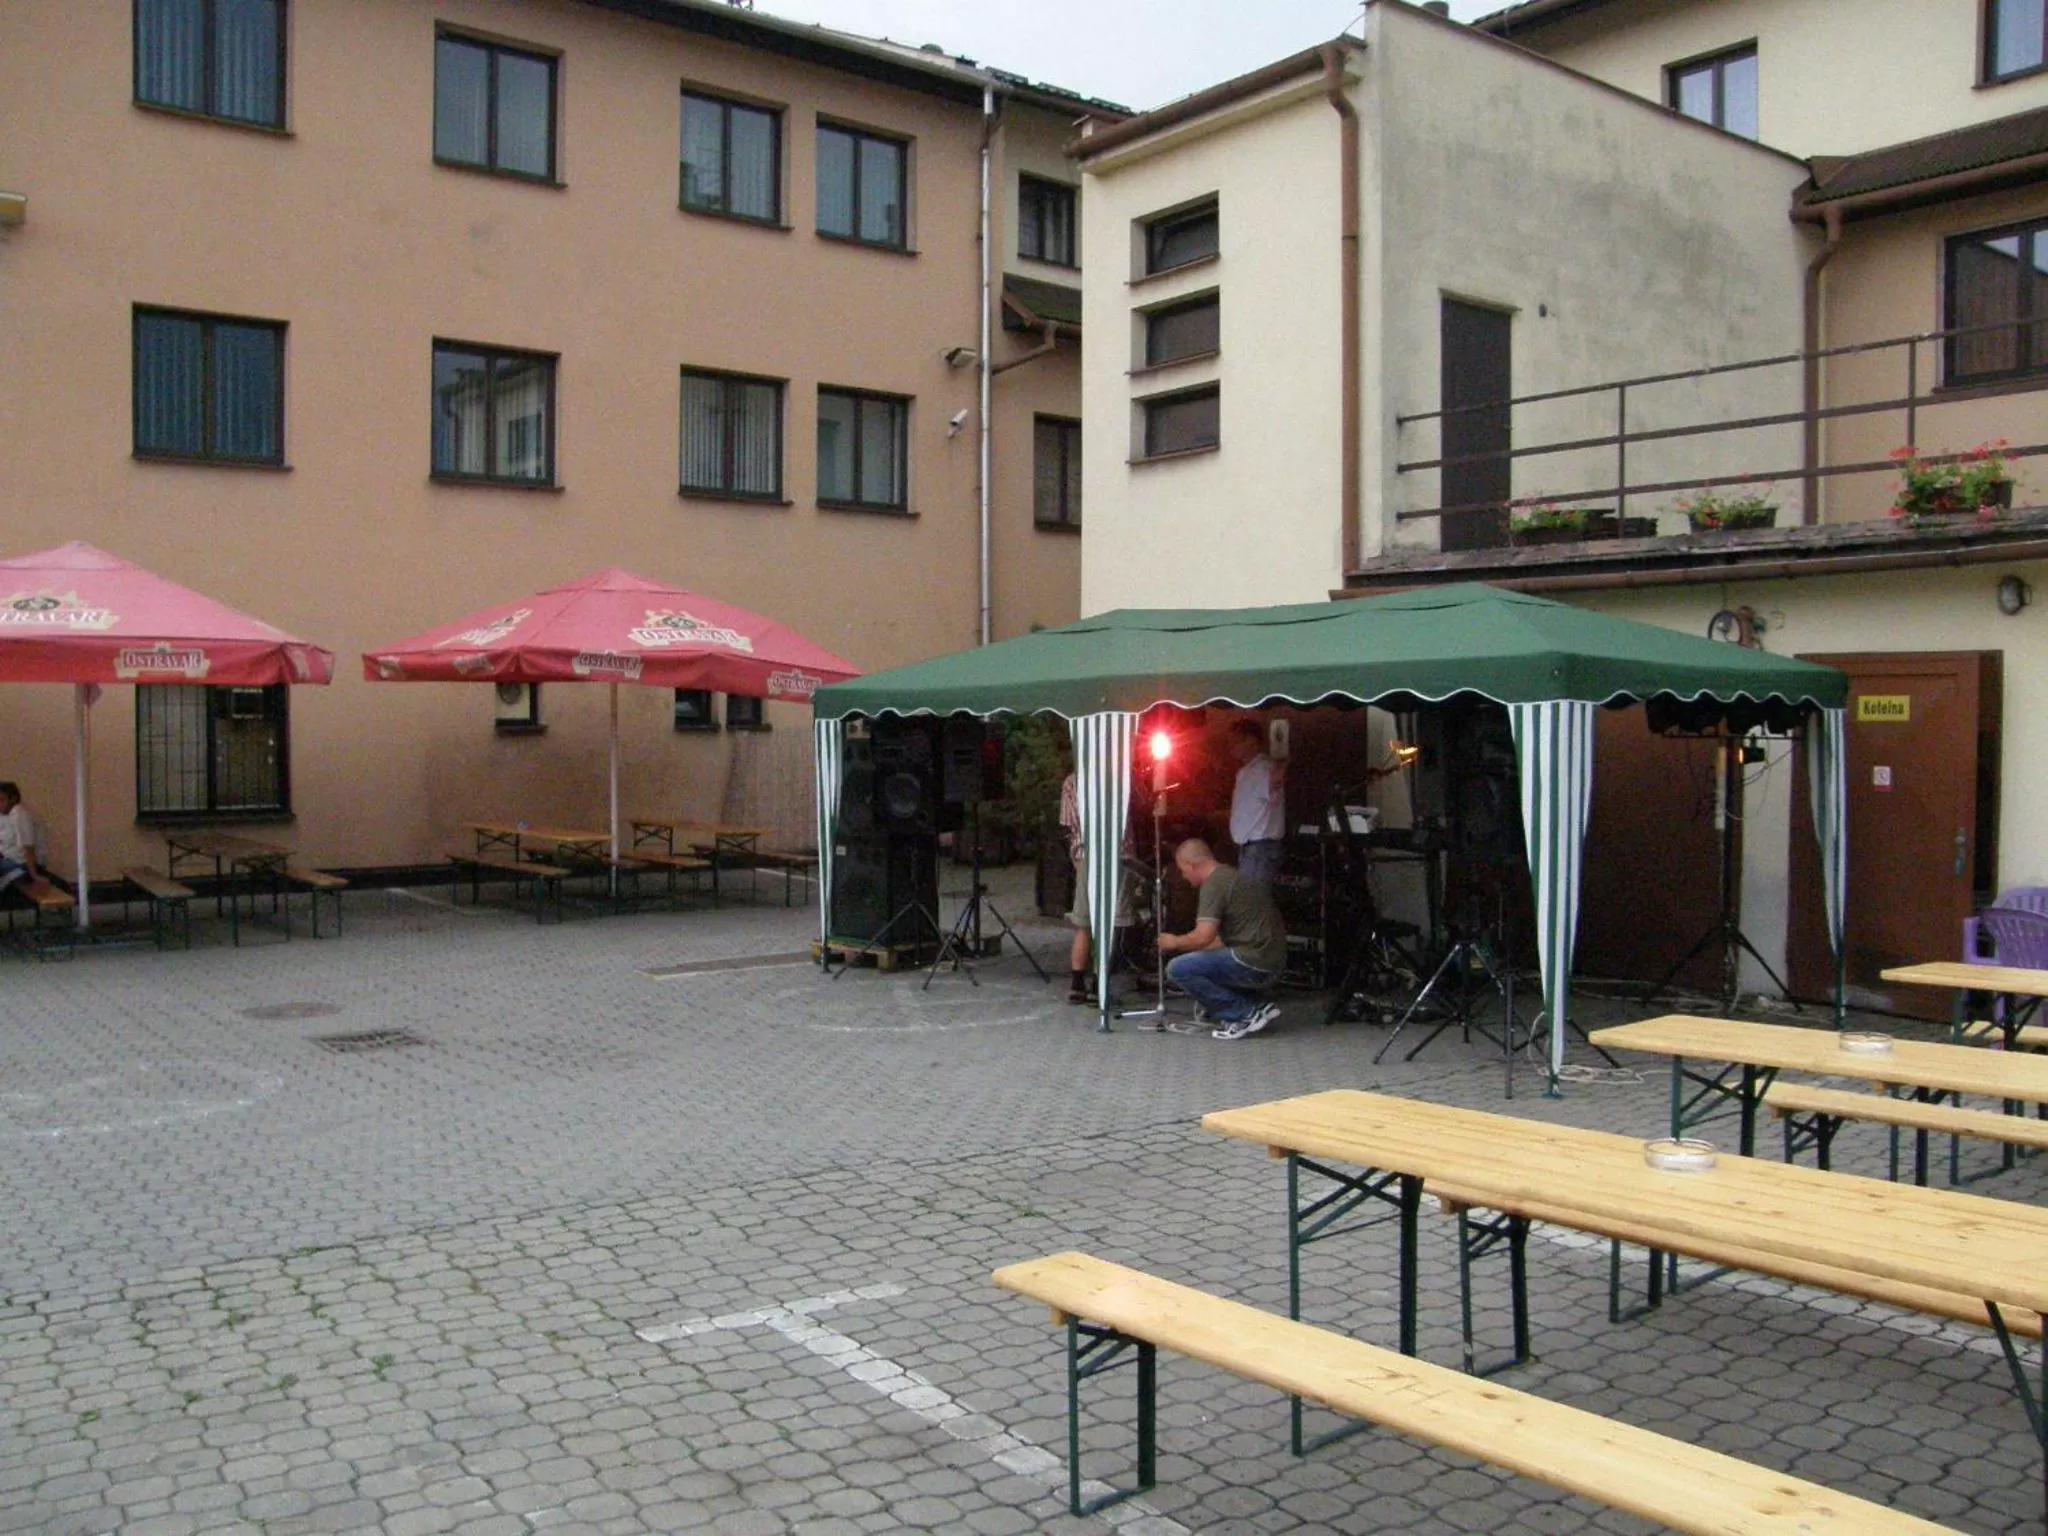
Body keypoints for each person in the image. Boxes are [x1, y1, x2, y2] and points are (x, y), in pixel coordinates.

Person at [1156, 838, 1287, 1040]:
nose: (1183, 876)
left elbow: (1203, 936)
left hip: (1253, 961)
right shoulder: (1232, 877)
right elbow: (1217, 942)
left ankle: (1243, 1014)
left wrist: (1175, 942)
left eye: (1183, 870)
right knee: (1201, 961)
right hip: (1270, 960)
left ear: (1193, 865)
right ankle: (1256, 1004)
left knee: (1178, 969)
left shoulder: (1214, 885)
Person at [1059, 770, 1133, 1004]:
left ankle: (1077, 984)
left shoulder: (1073, 780)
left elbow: (1068, 823)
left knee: (1084, 922)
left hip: (1085, 854)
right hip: (1116, 853)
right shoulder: (1120, 776)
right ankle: (1099, 985)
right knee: (1110, 923)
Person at [1227, 721, 1286, 887]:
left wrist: (1283, 762)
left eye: (1236, 740)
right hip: (1251, 850)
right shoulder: (1245, 771)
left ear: (1251, 741)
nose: (1231, 746)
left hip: (1259, 850)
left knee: (1251, 899)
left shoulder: (1263, 769)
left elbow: (1274, 785)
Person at [0, 782, 40, 894]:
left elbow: (28, 847)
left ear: (13, 799)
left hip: (18, 865)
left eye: (1, 800)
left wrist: (34, 875)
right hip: (6, 860)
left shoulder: (20, 814)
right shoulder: (6, 816)